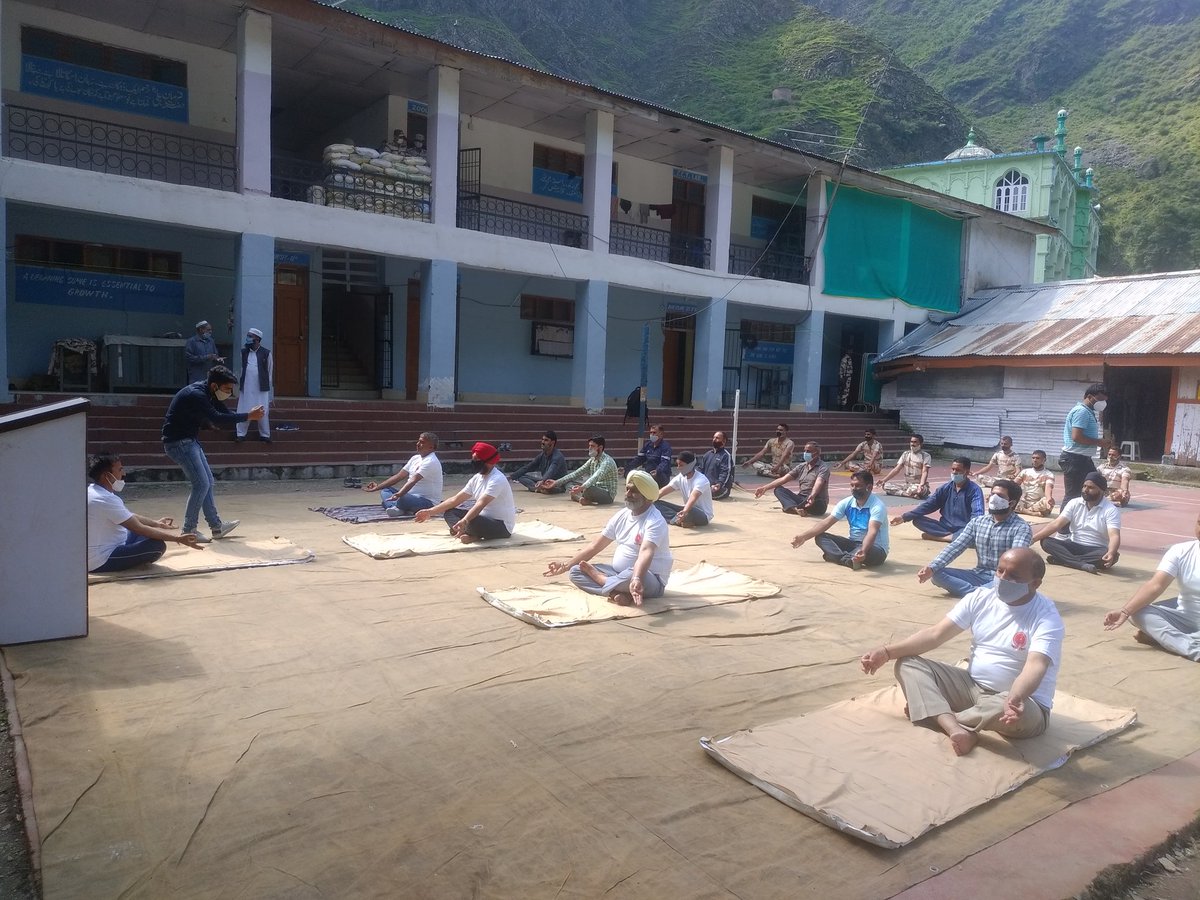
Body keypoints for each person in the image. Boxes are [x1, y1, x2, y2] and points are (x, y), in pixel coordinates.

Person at [860, 548, 1062, 756]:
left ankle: (937, 715)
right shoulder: (981, 597)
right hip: (971, 687)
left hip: (1018, 705)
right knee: (908, 664)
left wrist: (1016, 697)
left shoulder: (1046, 617)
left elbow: (1036, 665)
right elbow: (935, 634)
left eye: (1013, 576)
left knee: (1005, 707)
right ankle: (956, 727)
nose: (1003, 578)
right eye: (1000, 571)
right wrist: (886, 652)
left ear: (1035, 583)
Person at [161, 365, 264, 542]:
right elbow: (217, 417)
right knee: (201, 484)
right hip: (179, 443)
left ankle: (216, 527)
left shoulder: (209, 392)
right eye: (227, 389)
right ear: (215, 385)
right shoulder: (197, 394)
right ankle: (189, 530)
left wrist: (246, 415)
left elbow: (223, 412)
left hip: (189, 441)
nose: (229, 393)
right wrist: (248, 416)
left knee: (207, 481)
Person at [543, 470, 673, 606]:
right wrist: (565, 566)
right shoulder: (622, 515)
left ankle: (602, 580)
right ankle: (616, 593)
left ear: (647, 496)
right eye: (627, 489)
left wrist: (636, 578)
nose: (628, 494)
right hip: (618, 573)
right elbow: (595, 546)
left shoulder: (654, 521)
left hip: (647, 578)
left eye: (634, 491)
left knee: (630, 573)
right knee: (576, 571)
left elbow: (646, 551)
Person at [1103, 512, 1200, 661]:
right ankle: (1192, 648)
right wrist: (1125, 611)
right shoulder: (1181, 551)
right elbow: (1156, 585)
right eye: (1199, 523)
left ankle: (1166, 640)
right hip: (1185, 618)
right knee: (1138, 612)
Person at [87, 452, 203, 572]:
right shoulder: (105, 499)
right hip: (100, 560)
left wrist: (156, 523)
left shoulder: (93, 491)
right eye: (120, 470)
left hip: (106, 545)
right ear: (107, 475)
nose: (124, 474)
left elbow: (128, 515)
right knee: (156, 546)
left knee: (147, 533)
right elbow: (139, 528)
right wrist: (178, 539)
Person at [917, 480, 1032, 598]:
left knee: (1008, 585)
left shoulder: (1021, 528)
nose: (993, 499)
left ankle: (977, 594)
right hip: (978, 574)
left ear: (1011, 503)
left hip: (1004, 578)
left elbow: (1016, 562)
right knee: (936, 574)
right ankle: (978, 594)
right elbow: (956, 546)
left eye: (1000, 496)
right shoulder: (978, 522)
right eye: (992, 494)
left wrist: (1001, 580)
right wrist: (932, 567)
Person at [414, 442, 516, 543]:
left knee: (470, 522)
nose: (473, 462)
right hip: (482, 520)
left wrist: (465, 520)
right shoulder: (477, 478)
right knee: (450, 513)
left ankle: (470, 533)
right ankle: (469, 534)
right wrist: (430, 512)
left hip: (501, 526)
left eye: (477, 459)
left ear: (488, 461)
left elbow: (480, 504)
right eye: (473, 459)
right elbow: (456, 499)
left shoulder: (497, 479)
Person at [790, 471, 888, 570]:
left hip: (875, 549)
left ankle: (837, 556)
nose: (854, 489)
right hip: (853, 543)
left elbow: (872, 532)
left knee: (867, 550)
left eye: (858, 486)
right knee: (821, 537)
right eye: (852, 485)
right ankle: (847, 560)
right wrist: (804, 536)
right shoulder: (846, 503)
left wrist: (863, 550)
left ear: (869, 487)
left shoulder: (877, 506)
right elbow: (826, 522)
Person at [1032, 471, 1120, 573]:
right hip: (1073, 544)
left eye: (1091, 488)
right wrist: (1033, 539)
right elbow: (1057, 524)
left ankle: (1064, 560)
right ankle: (1081, 564)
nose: (1085, 490)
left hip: (1095, 549)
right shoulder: (1074, 503)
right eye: (1084, 486)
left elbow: (1114, 536)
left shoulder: (1110, 510)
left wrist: (1111, 552)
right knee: (1046, 542)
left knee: (1112, 556)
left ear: (1102, 491)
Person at [891, 456, 984, 542]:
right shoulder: (945, 488)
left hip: (964, 528)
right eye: (953, 469)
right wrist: (904, 517)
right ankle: (953, 538)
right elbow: (928, 505)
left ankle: (942, 537)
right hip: (944, 527)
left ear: (967, 472)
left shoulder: (975, 490)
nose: (954, 472)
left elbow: (978, 515)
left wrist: (971, 530)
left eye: (958, 470)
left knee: (976, 532)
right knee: (917, 520)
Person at [362, 432, 443, 516]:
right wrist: (377, 487)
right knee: (385, 491)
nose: (418, 444)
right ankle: (401, 509)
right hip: (410, 497)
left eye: (422, 442)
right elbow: (399, 476)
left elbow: (413, 480)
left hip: (426, 502)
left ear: (431, 447)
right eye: (418, 441)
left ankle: (397, 507)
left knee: (401, 498)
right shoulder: (415, 458)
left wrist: (399, 494)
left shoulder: (431, 461)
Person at [1059, 383, 1110, 508]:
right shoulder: (1081, 412)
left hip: (1083, 459)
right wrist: (1099, 442)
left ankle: (1085, 518)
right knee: (1073, 495)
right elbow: (1076, 437)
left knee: (1097, 485)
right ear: (1089, 397)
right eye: (1100, 399)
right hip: (1074, 458)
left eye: (1105, 400)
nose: (1102, 403)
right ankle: (1064, 527)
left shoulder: (1089, 412)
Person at [755, 440, 830, 516]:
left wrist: (813, 495)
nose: (805, 453)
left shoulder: (823, 468)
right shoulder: (801, 466)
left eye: (808, 451)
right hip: (801, 499)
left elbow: (819, 482)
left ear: (816, 453)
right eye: (805, 451)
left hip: (816, 501)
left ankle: (792, 508)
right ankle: (796, 509)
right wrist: (765, 488)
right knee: (779, 490)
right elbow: (783, 479)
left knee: (817, 502)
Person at [540, 435, 620, 505]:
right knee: (573, 488)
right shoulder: (592, 460)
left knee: (587, 488)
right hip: (594, 489)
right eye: (589, 446)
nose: (589, 448)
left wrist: (581, 488)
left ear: (600, 448)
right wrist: (556, 482)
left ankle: (582, 497)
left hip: (607, 495)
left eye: (592, 446)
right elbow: (576, 473)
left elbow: (595, 477)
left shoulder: (607, 462)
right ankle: (583, 500)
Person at [654, 451, 714, 527]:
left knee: (690, 511)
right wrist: (649, 499)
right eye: (677, 464)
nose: (678, 468)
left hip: (702, 515)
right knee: (654, 504)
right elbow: (663, 491)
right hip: (686, 509)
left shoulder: (701, 480)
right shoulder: (680, 478)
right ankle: (678, 519)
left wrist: (685, 511)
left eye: (681, 465)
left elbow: (693, 497)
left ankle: (680, 518)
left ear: (690, 465)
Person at [235, 328, 273, 442]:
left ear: (257, 339)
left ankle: (265, 435)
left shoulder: (266, 353)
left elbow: (269, 370)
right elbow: (241, 369)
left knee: (262, 410)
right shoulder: (244, 352)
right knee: (244, 409)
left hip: (261, 388)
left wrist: (267, 385)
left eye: (250, 336)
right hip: (246, 387)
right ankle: (240, 434)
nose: (248, 338)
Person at [880, 434, 932, 499]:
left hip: (918, 485)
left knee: (919, 490)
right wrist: (884, 480)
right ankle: (908, 494)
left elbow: (925, 472)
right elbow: (896, 469)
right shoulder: (905, 454)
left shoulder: (926, 456)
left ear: (920, 444)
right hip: (907, 485)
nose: (912, 444)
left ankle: (911, 493)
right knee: (886, 486)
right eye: (911, 442)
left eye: (915, 442)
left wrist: (921, 485)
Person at [1015, 450, 1056, 517]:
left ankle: (1023, 510)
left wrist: (1049, 499)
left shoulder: (1049, 474)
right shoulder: (1025, 472)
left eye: (1038, 458)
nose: (1035, 460)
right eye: (1033, 458)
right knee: (1007, 499)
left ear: (1044, 460)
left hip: (1038, 504)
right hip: (1024, 502)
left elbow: (1048, 489)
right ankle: (1031, 512)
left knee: (1048, 503)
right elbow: (1013, 485)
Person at [184, 320, 222, 384]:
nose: (210, 332)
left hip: (209, 374)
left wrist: (217, 358)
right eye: (208, 330)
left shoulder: (211, 341)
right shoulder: (192, 342)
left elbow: (215, 353)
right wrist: (206, 357)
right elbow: (189, 358)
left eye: (211, 330)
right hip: (196, 375)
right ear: (201, 330)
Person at [699, 431, 734, 500]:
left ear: (724, 441)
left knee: (706, 495)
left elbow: (725, 472)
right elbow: (700, 469)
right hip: (707, 487)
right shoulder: (707, 454)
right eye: (714, 437)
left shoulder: (726, 456)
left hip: (720, 488)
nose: (714, 439)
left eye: (717, 438)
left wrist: (719, 484)